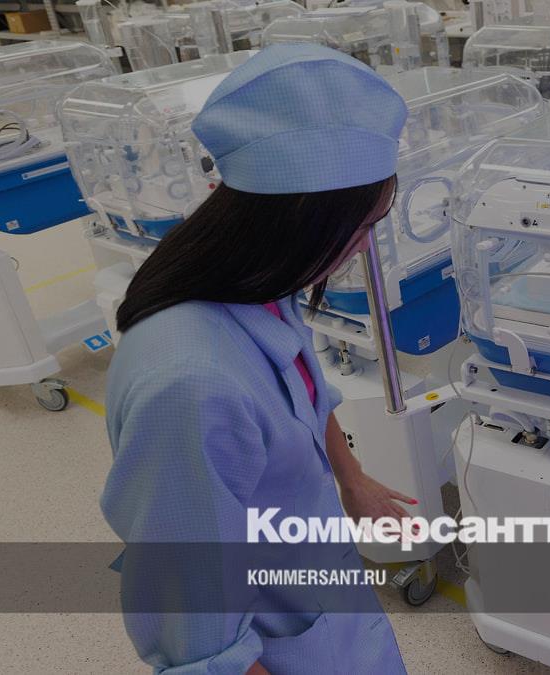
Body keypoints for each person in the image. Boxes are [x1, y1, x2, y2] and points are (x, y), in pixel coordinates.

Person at [101, 44, 414, 674]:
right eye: (364, 226)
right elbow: (196, 634)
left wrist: (350, 479)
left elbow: (300, 393)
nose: (363, 248)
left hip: (317, 592)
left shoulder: (258, 290)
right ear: (302, 220)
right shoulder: (190, 388)